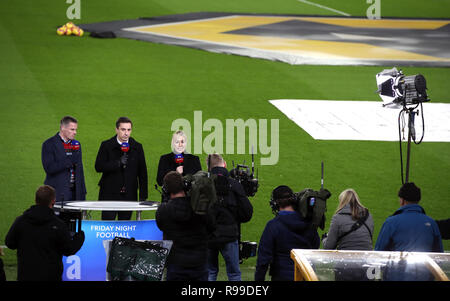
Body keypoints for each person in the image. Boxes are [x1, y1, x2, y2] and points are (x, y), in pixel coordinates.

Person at [5, 185, 85, 281]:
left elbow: (9, 243)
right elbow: (69, 250)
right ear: (53, 201)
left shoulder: (21, 221)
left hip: (25, 276)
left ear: (35, 200)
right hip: (51, 277)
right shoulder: (58, 225)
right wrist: (80, 237)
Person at [375, 182, 443, 281]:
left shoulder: (391, 222)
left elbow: (378, 254)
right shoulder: (431, 223)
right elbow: (439, 256)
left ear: (402, 200)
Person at [155, 171, 215, 281]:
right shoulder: (198, 208)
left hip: (176, 263)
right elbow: (212, 226)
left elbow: (161, 226)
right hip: (199, 262)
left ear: (166, 190)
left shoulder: (164, 210)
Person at [255, 185, 320, 281]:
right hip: (306, 276)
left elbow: (263, 260)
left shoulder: (273, 225)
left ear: (275, 203)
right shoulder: (309, 224)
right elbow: (316, 245)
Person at [206, 154, 253, 281]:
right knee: (234, 274)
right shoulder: (234, 185)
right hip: (229, 235)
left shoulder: (204, 185)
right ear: (225, 164)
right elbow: (247, 212)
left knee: (210, 272)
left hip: (208, 236)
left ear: (208, 168)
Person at [95, 117, 148, 220]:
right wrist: (118, 163)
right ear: (117, 130)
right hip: (109, 195)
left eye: (128, 130)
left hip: (129, 195)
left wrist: (143, 195)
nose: (126, 133)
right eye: (123, 129)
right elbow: (98, 166)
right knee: (108, 226)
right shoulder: (106, 145)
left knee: (125, 226)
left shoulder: (137, 147)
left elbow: (142, 172)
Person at [322, 188, 374, 281]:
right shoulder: (369, 216)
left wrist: (324, 238)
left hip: (346, 266)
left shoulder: (338, 218)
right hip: (370, 264)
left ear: (342, 201)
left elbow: (328, 247)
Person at [41, 116, 86, 203]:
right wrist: (69, 161)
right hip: (57, 193)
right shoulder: (49, 144)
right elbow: (49, 168)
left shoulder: (76, 144)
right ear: (62, 128)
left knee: (74, 217)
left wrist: (82, 192)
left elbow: (80, 169)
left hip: (76, 193)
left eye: (76, 129)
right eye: (72, 129)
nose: (75, 132)